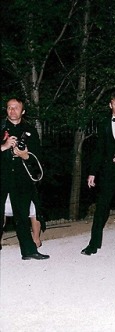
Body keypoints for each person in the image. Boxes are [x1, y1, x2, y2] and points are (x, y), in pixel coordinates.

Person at [81, 89, 115, 256]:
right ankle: (93, 244)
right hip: (108, 173)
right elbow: (99, 150)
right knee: (101, 208)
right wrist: (92, 173)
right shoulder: (104, 123)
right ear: (110, 105)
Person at [0, 98, 49, 259]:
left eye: (16, 108)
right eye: (9, 108)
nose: (12, 111)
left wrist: (24, 155)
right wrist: (4, 147)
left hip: (21, 178)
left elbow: (38, 157)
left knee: (22, 215)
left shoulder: (30, 130)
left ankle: (29, 251)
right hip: (2, 175)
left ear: (23, 111)